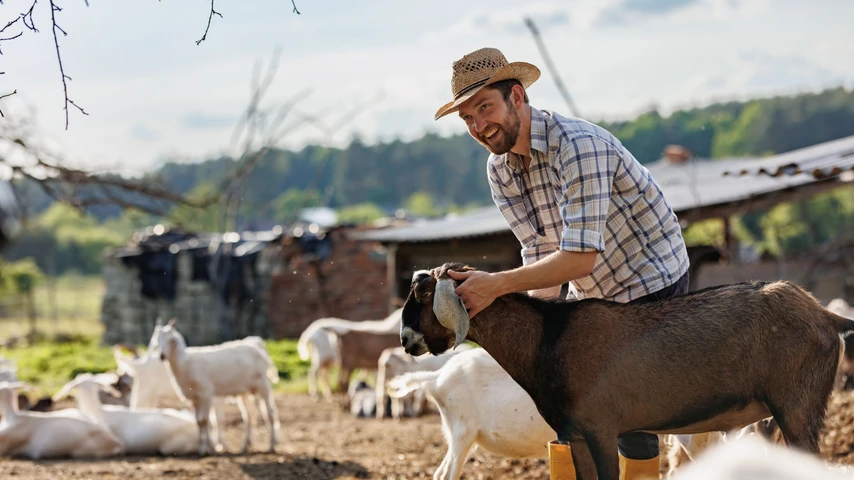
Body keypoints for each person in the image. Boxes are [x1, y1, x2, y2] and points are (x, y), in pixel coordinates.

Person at [434, 47, 691, 480]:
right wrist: (535, 335)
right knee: (565, 406)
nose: (479, 126)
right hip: (592, 289)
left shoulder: (579, 146)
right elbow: (538, 250)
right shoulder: (500, 170)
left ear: (516, 96)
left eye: (485, 108)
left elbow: (578, 257)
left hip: (651, 278)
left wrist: (495, 286)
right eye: (468, 119)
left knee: (629, 414)